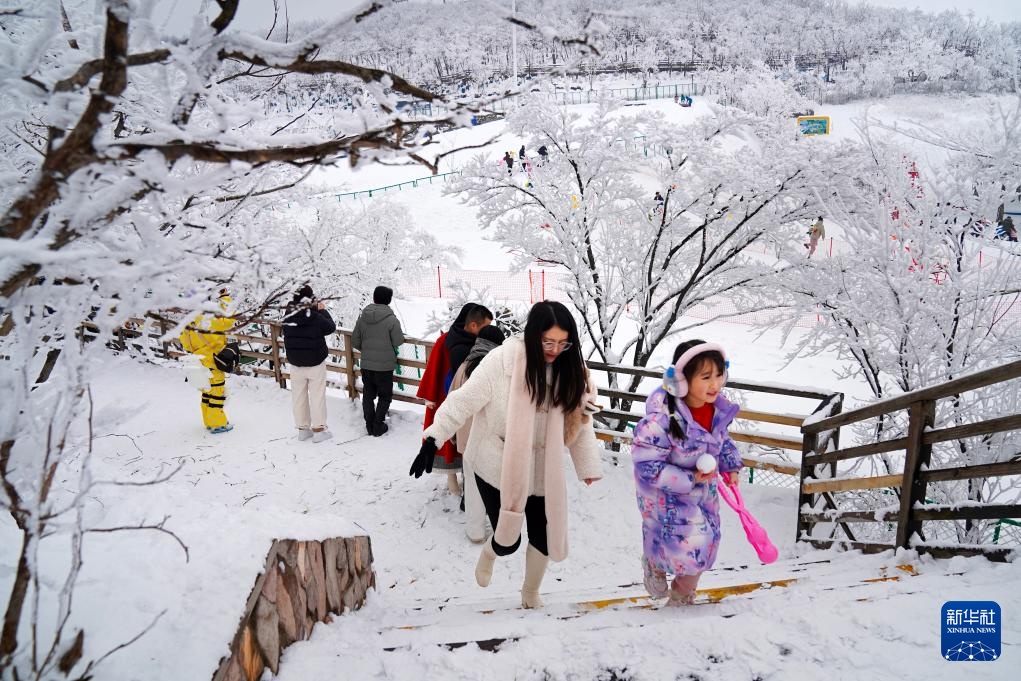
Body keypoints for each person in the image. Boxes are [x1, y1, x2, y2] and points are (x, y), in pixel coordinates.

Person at [409, 301, 603, 608]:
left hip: (542, 469)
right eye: (547, 342)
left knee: (543, 535)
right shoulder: (501, 362)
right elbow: (463, 400)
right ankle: (491, 552)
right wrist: (432, 439)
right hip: (496, 463)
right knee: (508, 540)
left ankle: (530, 592)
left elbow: (579, 420)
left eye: (562, 343)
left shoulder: (571, 371)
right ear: (532, 336)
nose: (554, 350)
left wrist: (587, 466)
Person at [631, 340, 743, 606]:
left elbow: (722, 440)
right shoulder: (661, 420)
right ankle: (654, 564)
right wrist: (690, 478)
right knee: (675, 541)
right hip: (665, 500)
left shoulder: (716, 412)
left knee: (703, 545)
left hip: (703, 496)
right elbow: (646, 464)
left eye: (718, 375)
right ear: (681, 380)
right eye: (705, 377)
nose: (714, 384)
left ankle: (681, 596)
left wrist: (730, 464)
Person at [449, 324, 507, 541]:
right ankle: (500, 529)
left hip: (468, 438)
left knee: (473, 487)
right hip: (492, 439)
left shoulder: (464, 367)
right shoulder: (497, 371)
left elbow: (452, 399)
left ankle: (475, 531)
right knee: (496, 485)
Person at [417, 303, 476, 474]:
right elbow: (434, 368)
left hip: (469, 396)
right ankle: (450, 475)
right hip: (445, 395)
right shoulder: (445, 340)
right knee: (449, 433)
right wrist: (431, 395)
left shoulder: (479, 341)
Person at [282, 284, 337, 443]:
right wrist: (322, 310)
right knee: (317, 396)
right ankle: (319, 430)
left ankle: (303, 430)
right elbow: (330, 327)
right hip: (315, 362)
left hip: (295, 363)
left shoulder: (288, 315)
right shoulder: (314, 315)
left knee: (298, 396)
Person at [179, 289, 235, 434]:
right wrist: (225, 297)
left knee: (207, 393)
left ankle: (208, 421)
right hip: (213, 361)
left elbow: (185, 343)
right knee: (217, 394)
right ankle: (217, 424)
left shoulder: (188, 320)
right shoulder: (208, 318)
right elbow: (229, 320)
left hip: (199, 363)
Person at [352, 286, 405, 437]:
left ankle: (369, 425)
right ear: (389, 300)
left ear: (374, 298)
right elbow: (398, 341)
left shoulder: (362, 318)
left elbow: (355, 341)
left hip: (367, 365)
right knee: (385, 396)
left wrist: (368, 349)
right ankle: (378, 424)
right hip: (385, 367)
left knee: (368, 395)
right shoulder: (391, 320)